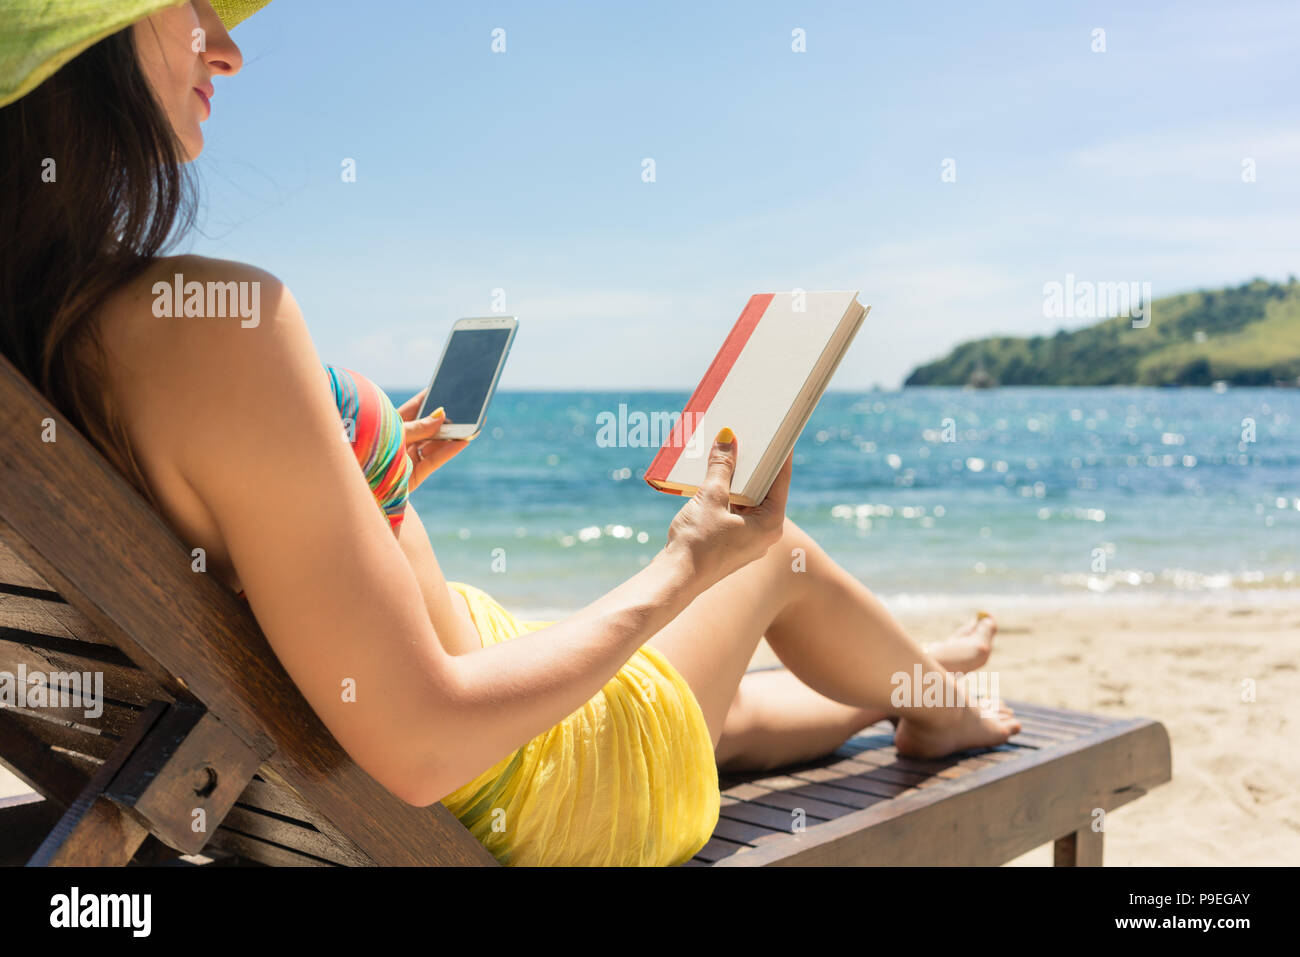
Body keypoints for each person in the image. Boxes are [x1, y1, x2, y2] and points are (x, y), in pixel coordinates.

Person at [0, 0, 1019, 866]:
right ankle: (933, 704)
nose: (225, 48)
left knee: (726, 716)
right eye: (188, 9)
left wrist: (358, 475)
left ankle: (897, 684)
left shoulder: (40, 341)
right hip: (507, 783)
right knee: (774, 562)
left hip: (397, 717)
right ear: (72, 53)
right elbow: (423, 744)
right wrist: (688, 564)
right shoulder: (211, 327)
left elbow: (196, 554)